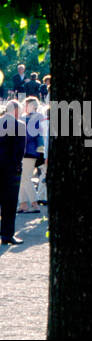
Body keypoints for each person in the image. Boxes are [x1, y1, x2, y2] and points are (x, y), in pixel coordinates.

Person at [0, 101, 26, 245]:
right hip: (10, 169)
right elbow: (19, 150)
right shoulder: (19, 125)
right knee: (9, 203)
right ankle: (7, 234)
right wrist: (17, 166)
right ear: (16, 111)